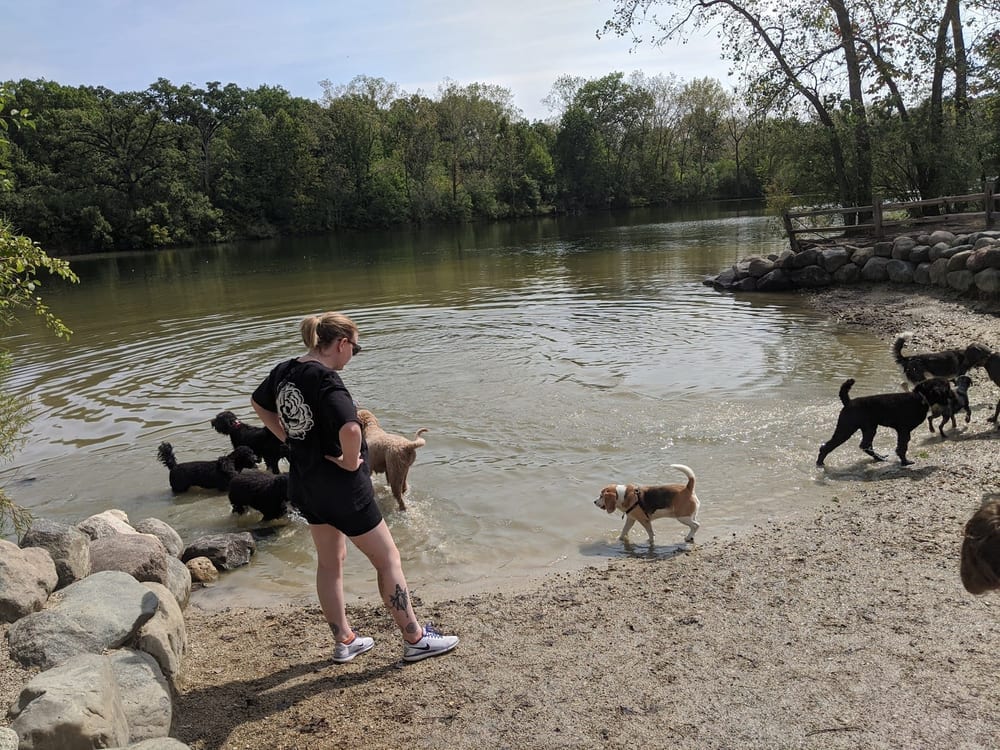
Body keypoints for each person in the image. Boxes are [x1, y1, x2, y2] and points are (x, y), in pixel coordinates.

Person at [251, 311, 459, 663]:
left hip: (306, 483)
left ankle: (345, 640)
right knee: (388, 559)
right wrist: (349, 462)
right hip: (344, 490)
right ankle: (415, 638)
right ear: (342, 344)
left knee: (330, 562)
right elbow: (351, 428)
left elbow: (258, 403)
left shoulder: (286, 370)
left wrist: (289, 438)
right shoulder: (327, 381)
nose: (353, 356)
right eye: (355, 349)